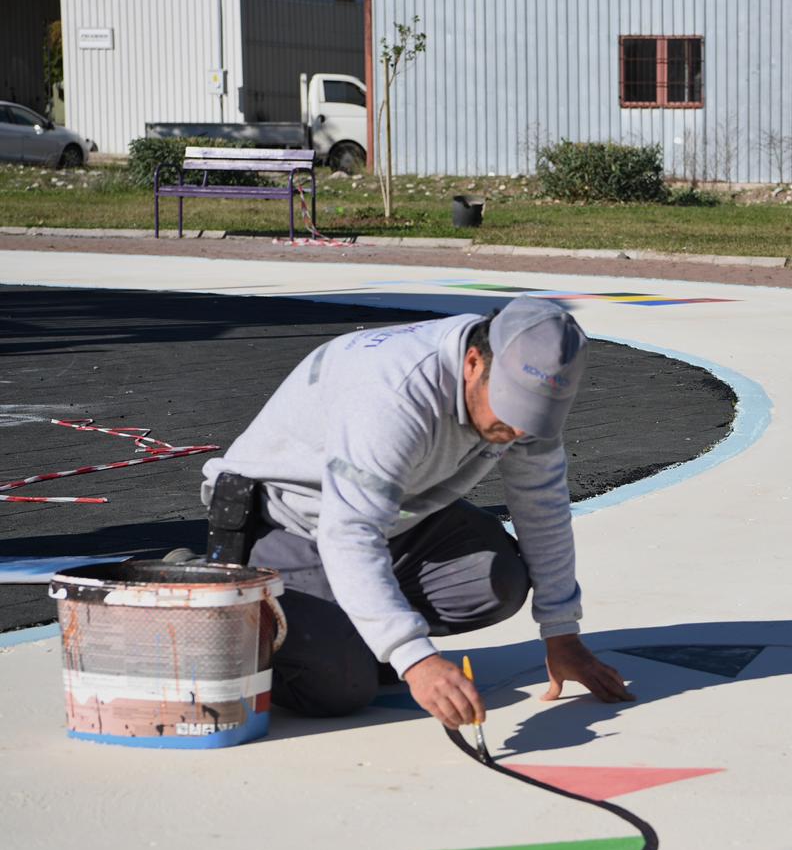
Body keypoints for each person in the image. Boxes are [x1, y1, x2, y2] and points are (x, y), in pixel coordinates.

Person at [198, 297, 633, 728]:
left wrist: (562, 633)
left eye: (533, 417)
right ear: (474, 363)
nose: (517, 431)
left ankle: (354, 624)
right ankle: (217, 597)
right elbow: (349, 532)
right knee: (340, 686)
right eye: (510, 408)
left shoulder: (520, 389)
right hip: (286, 521)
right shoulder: (393, 396)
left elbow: (543, 505)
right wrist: (413, 657)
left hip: (391, 518)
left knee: (496, 580)